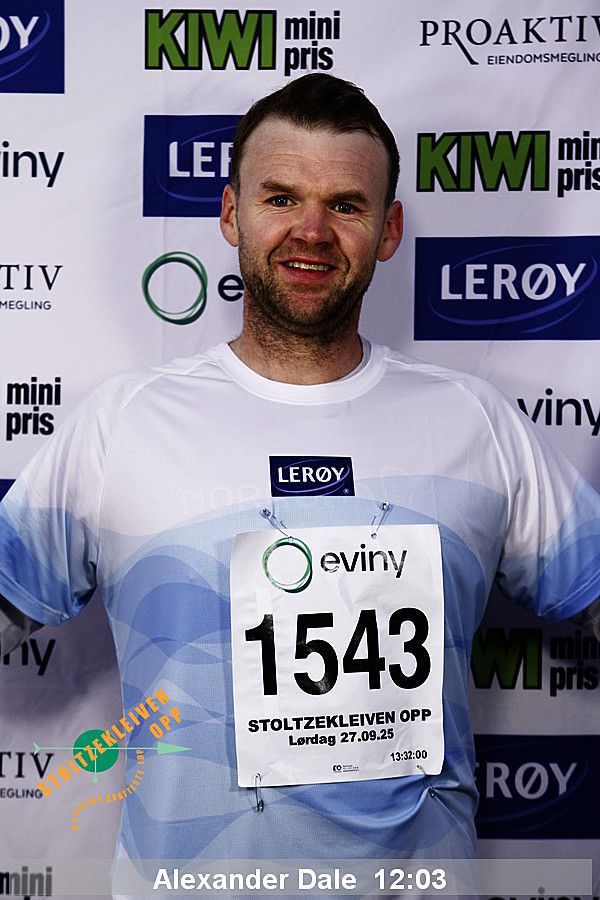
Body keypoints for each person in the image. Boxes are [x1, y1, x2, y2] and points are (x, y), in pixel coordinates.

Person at [1, 73, 600, 884]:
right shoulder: (122, 425)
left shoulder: (477, 423)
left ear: (388, 230)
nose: (311, 232)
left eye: (345, 205)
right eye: (280, 198)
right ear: (230, 213)